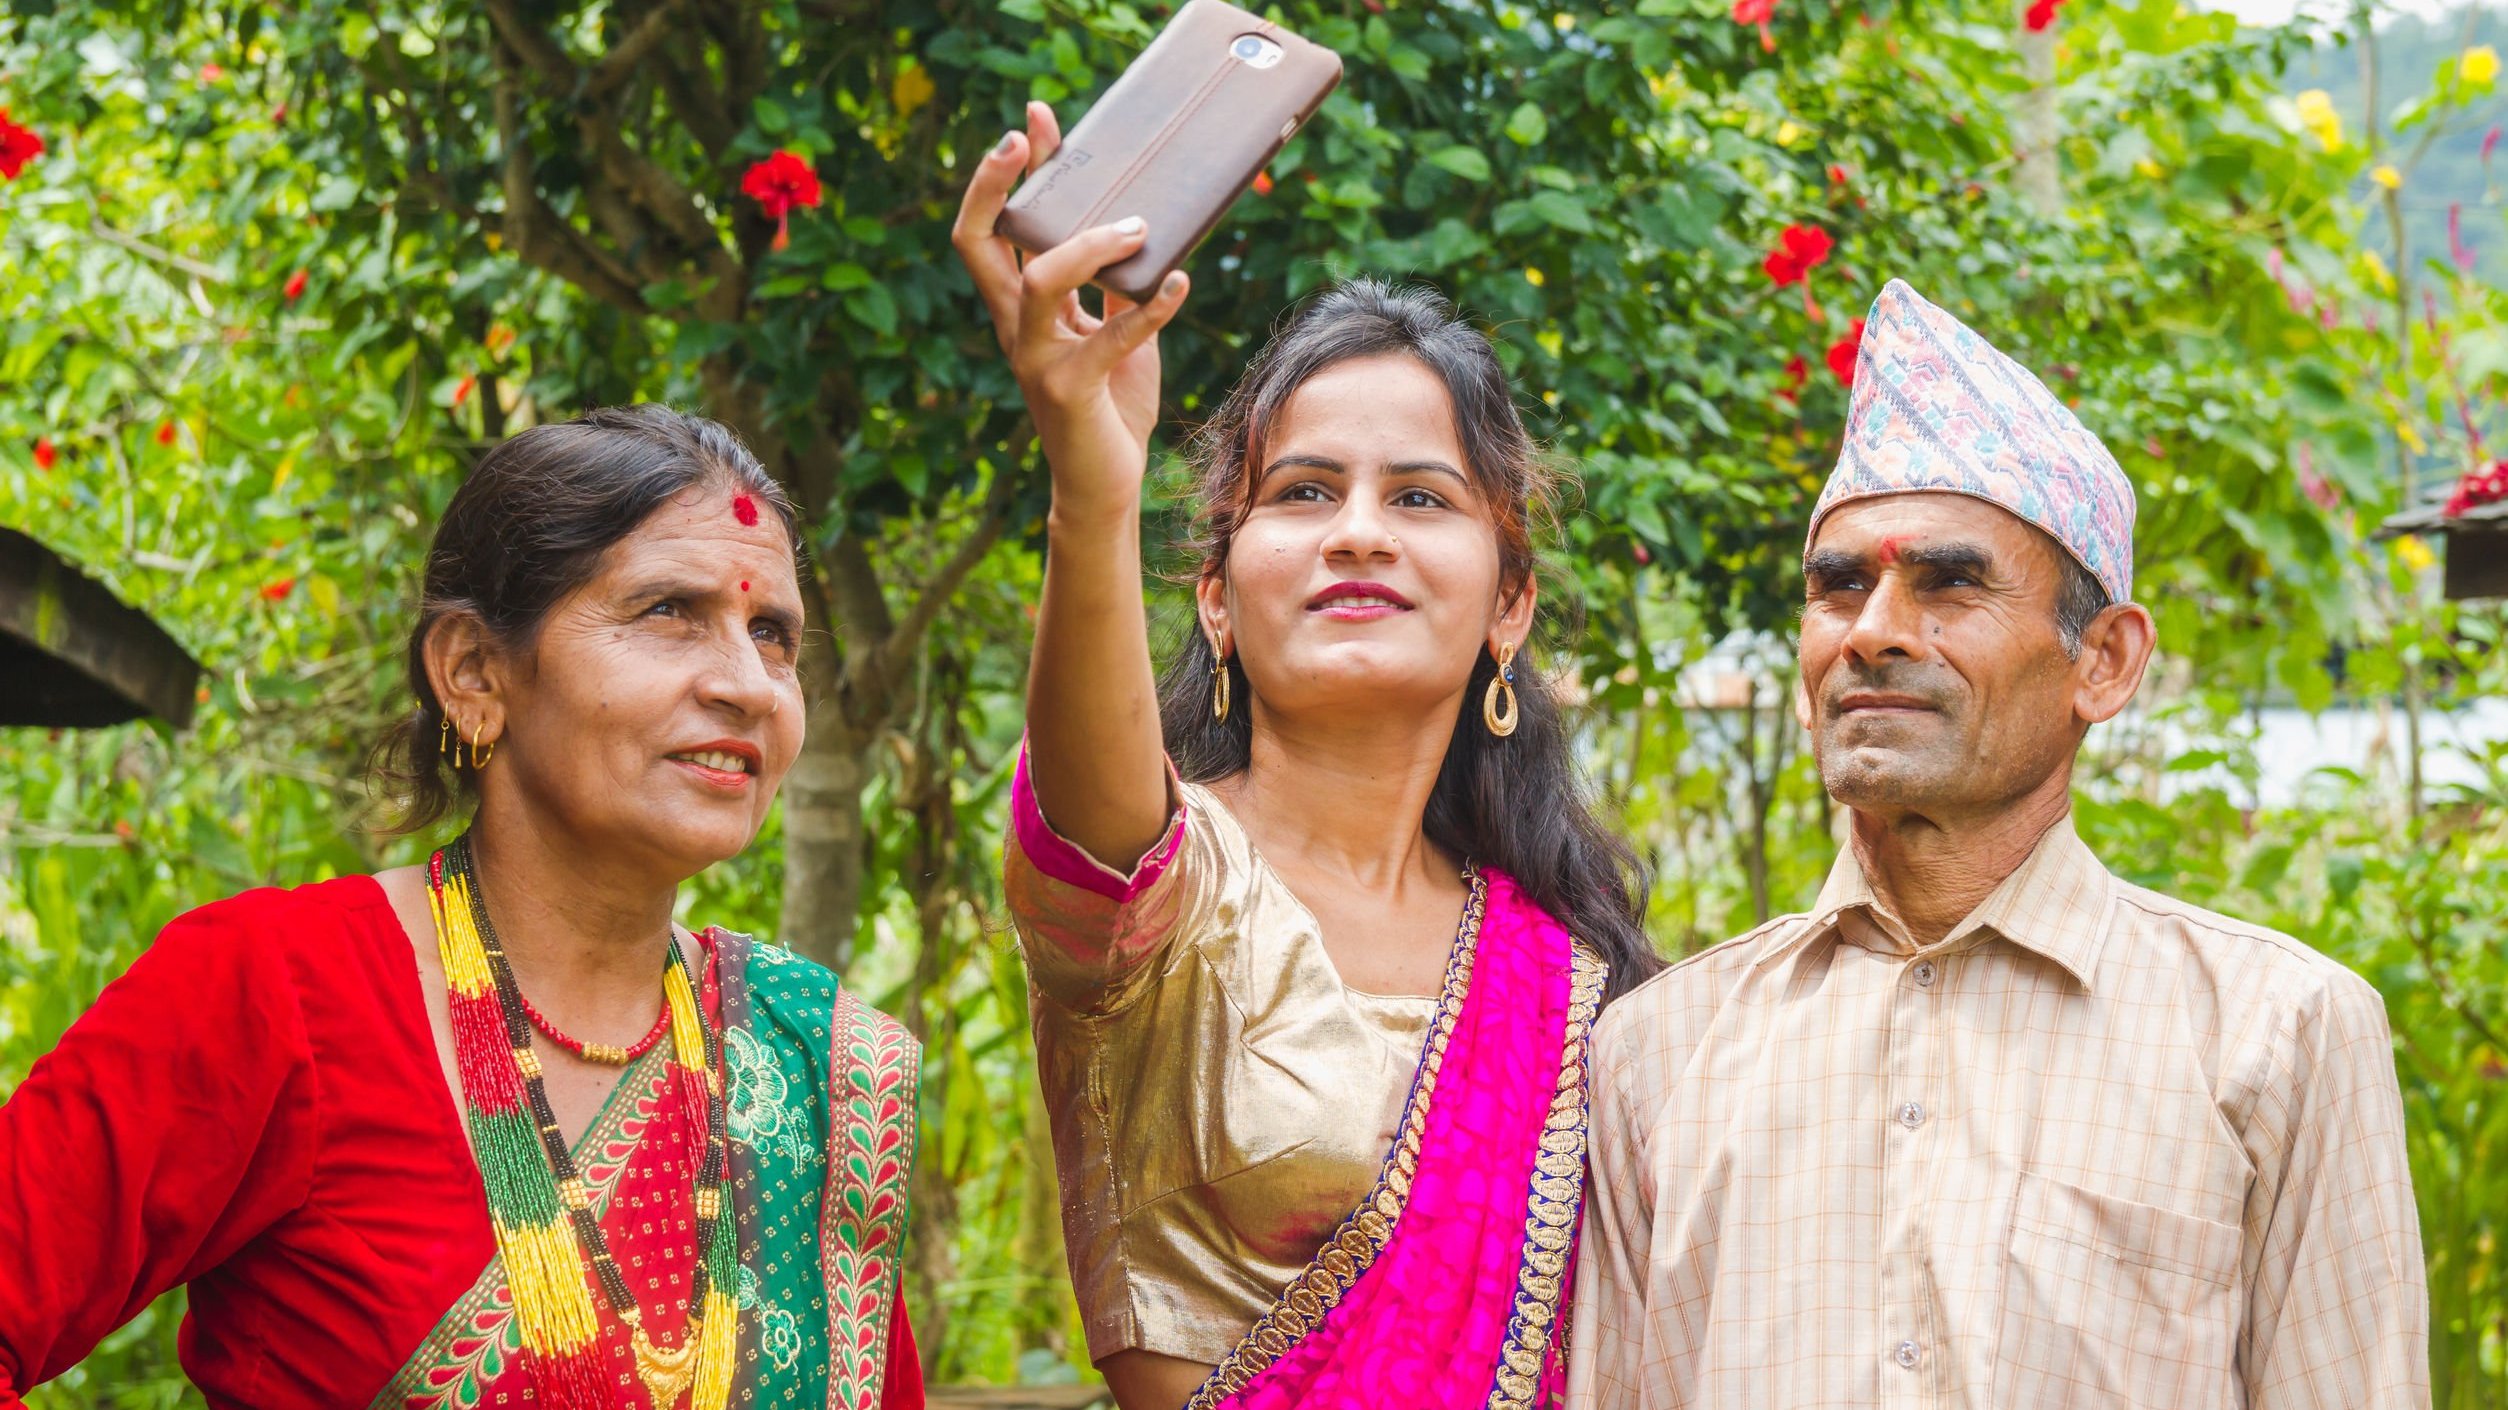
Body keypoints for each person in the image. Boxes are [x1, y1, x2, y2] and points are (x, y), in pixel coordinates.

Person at [1568, 280, 2429, 1409]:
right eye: (1839, 589)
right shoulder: (1657, 1056)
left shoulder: (2276, 1037)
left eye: (1948, 584)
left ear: (2104, 662)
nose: (1872, 633)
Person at [951, 104, 1662, 1410]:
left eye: (1420, 497)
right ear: (1217, 597)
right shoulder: (1160, 889)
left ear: (1510, 603)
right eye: (1302, 491)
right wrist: (1091, 478)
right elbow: (1089, 810)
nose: (1358, 533)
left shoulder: (1572, 982)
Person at [0, 406, 924, 1410]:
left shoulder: (804, 1059)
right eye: (669, 611)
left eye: (773, 635)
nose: (749, 685)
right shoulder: (276, 991)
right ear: (473, 673)